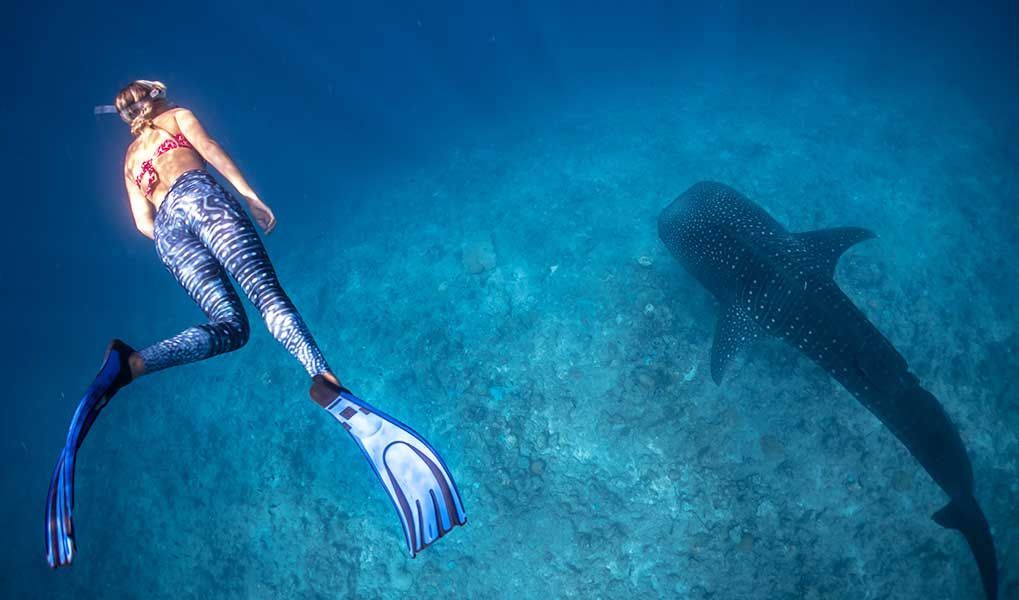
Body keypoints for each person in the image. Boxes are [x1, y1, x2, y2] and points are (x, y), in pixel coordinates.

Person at [45, 80, 465, 568]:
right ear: (153, 98)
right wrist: (248, 196)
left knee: (228, 326)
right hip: (199, 197)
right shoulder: (175, 118)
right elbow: (209, 151)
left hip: (168, 235)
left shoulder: (128, 162)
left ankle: (133, 364)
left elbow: (143, 223)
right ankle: (322, 375)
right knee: (265, 295)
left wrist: (169, 209)